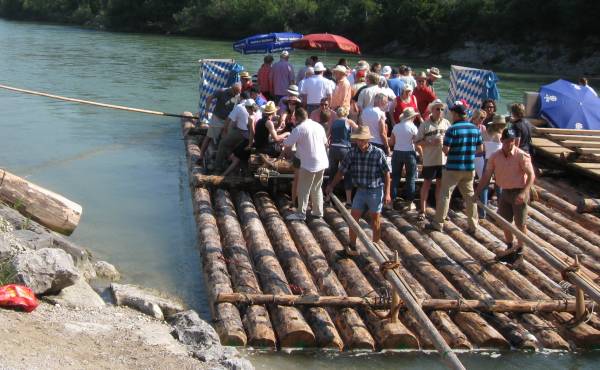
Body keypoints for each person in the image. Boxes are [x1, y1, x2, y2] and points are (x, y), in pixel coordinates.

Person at [325, 126, 392, 256]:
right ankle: (352, 246)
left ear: (367, 139)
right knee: (353, 218)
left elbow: (387, 174)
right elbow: (341, 171)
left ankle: (375, 248)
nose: (360, 143)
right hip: (360, 190)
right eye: (358, 140)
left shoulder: (378, 153)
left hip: (375, 190)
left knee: (375, 219)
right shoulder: (352, 153)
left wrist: (387, 193)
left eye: (362, 140)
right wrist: (331, 185)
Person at [475, 127, 535, 263]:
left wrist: (525, 192)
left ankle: (520, 250)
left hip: (519, 191)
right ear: (502, 141)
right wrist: (477, 193)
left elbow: (531, 175)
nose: (510, 144)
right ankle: (509, 247)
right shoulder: (495, 157)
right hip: (505, 192)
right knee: (504, 222)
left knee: (521, 223)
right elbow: (486, 176)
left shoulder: (521, 155)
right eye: (507, 141)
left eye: (512, 141)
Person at [430, 101, 482, 233]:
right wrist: (467, 152)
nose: (451, 116)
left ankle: (438, 223)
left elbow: (446, 150)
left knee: (445, 195)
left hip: (453, 167)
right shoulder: (475, 129)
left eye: (452, 113)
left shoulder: (452, 129)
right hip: (469, 167)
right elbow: (480, 149)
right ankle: (473, 225)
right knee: (470, 196)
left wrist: (445, 147)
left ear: (456, 115)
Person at [282, 108, 329, 221]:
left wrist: (282, 140)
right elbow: (325, 142)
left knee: (304, 188)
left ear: (297, 118)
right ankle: (318, 211)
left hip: (309, 163)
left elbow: (287, 143)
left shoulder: (299, 129)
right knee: (317, 188)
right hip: (322, 161)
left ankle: (301, 213)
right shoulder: (318, 126)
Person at [222, 101, 289, 177]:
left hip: (258, 145)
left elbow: (263, 134)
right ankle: (285, 167)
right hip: (264, 148)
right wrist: (287, 133)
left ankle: (241, 173)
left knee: (237, 157)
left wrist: (277, 130)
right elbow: (276, 138)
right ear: (273, 113)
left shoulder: (260, 120)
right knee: (283, 148)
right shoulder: (268, 122)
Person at [415, 99, 451, 220]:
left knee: (441, 186)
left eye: (442, 109)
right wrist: (430, 141)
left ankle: (440, 211)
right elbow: (417, 142)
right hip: (429, 160)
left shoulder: (446, 123)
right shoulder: (425, 124)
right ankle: (423, 210)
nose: (440, 111)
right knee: (426, 184)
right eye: (437, 109)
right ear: (432, 110)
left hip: (443, 160)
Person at [198, 82, 241, 164]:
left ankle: (225, 158)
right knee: (209, 136)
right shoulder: (222, 91)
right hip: (217, 118)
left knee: (226, 139)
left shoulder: (238, 95)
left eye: (238, 92)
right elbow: (209, 98)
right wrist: (206, 111)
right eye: (235, 92)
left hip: (228, 120)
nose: (237, 94)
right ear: (231, 88)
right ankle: (200, 156)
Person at [215, 98, 262, 172]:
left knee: (223, 143)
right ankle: (231, 161)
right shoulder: (259, 111)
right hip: (255, 136)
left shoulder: (241, 108)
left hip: (245, 135)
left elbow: (229, 119)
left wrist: (224, 130)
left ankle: (217, 166)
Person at [327, 106, 358, 207]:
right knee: (347, 173)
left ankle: (328, 197)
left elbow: (327, 135)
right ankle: (348, 200)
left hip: (333, 148)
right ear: (346, 113)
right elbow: (358, 129)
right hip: (344, 148)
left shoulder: (333, 122)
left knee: (332, 172)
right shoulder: (348, 121)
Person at [389, 107, 419, 207]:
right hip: (409, 152)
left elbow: (392, 142)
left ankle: (391, 201)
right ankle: (410, 202)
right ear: (412, 117)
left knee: (395, 177)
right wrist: (421, 154)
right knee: (410, 178)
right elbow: (416, 142)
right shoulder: (413, 127)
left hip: (397, 152)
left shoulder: (396, 126)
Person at [478, 114, 506, 218]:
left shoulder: (485, 133)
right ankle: (502, 211)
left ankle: (482, 213)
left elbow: (483, 149)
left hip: (487, 160)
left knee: (484, 186)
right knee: (499, 187)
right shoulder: (500, 135)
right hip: (499, 161)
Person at [471, 109, 488, 180]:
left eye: (484, 118)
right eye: (481, 117)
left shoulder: (483, 127)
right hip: (470, 155)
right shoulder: (469, 126)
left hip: (480, 155)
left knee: (482, 177)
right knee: (471, 177)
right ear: (475, 116)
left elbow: (485, 140)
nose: (483, 119)